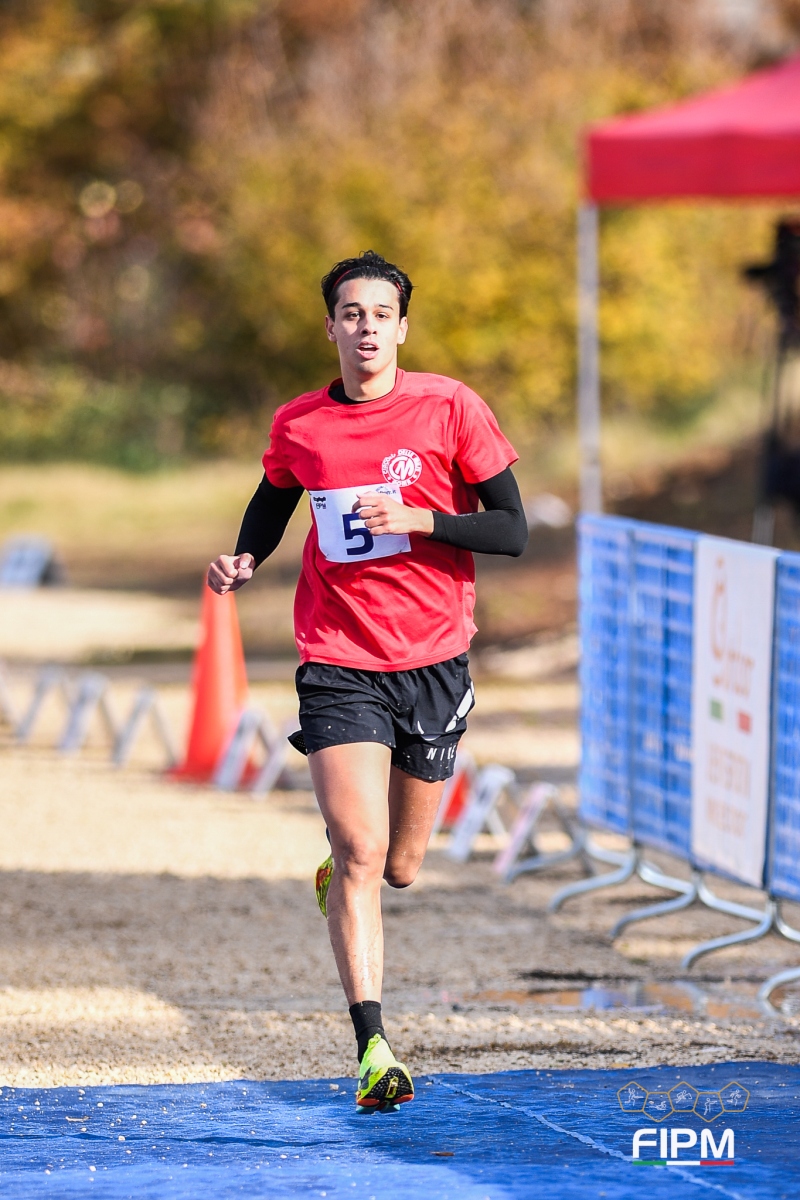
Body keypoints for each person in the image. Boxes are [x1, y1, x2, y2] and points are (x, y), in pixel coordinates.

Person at [208, 250, 527, 1111]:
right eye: (351, 314)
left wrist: (420, 517)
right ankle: (374, 1049)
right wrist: (245, 558)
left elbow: (513, 530)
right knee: (362, 850)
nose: (366, 329)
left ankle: (350, 861)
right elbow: (274, 497)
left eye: (381, 315)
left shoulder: (450, 407)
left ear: (402, 328)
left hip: (433, 656)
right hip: (338, 655)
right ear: (331, 328)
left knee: (403, 865)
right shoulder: (302, 423)